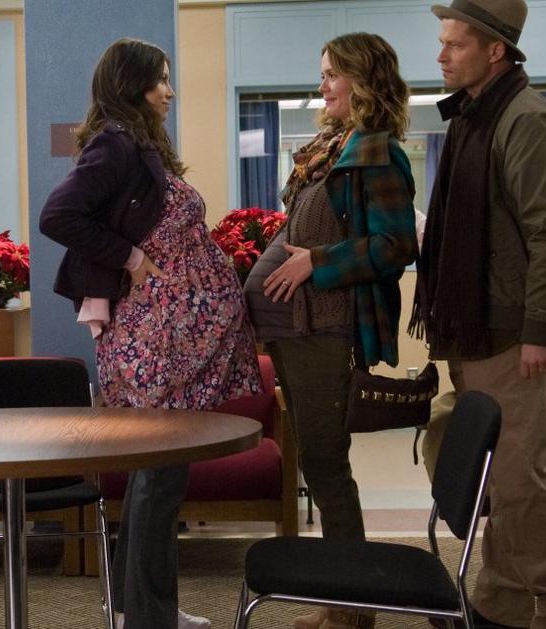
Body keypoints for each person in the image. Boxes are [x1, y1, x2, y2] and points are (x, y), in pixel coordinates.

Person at [40, 38, 262, 629]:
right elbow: (57, 215)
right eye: (161, 79)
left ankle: (136, 608)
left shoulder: (136, 142)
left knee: (156, 474)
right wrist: (133, 259)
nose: (170, 91)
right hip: (156, 340)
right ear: (133, 84)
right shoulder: (115, 143)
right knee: (160, 477)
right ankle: (148, 616)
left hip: (169, 341)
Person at [410, 1, 546, 627]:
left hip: (510, 331)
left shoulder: (528, 121)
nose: (441, 55)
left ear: (495, 50)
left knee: (522, 476)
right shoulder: (477, 115)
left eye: (455, 44)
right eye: (442, 42)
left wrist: (542, 330)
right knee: (501, 475)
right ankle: (504, 598)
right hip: (475, 327)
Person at [244, 32, 418, 629]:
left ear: (362, 79)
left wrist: (315, 263)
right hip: (298, 330)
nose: (321, 86)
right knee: (319, 466)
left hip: (327, 329)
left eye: (331, 74)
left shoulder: (378, 152)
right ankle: (344, 602)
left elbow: (396, 245)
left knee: (326, 465)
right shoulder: (331, 148)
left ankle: (351, 611)